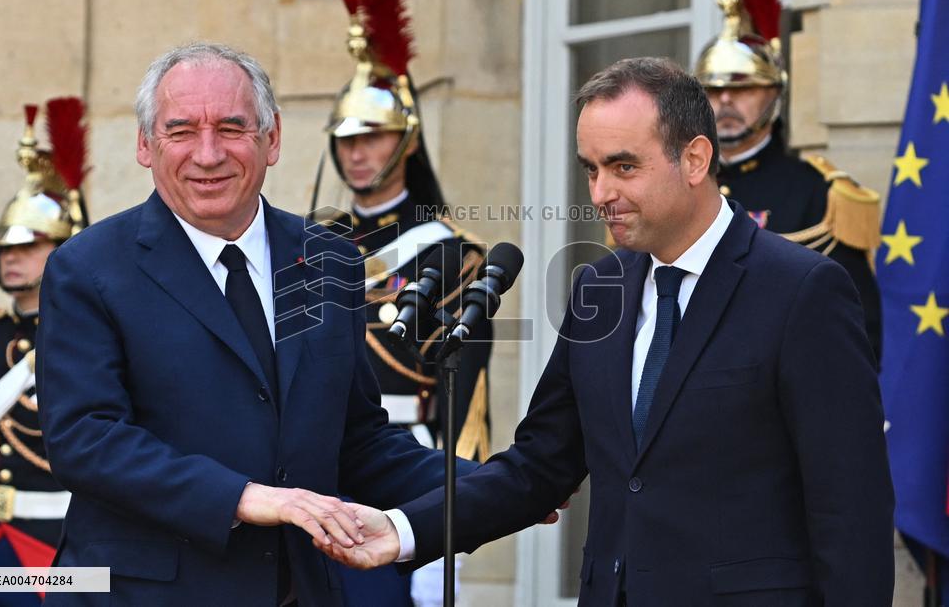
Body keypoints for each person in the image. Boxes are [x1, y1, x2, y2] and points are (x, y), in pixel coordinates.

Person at [322, 58, 895, 606]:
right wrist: (402, 530)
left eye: (623, 167)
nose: (599, 194)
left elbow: (851, 511)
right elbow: (540, 465)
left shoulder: (803, 289)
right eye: (591, 169)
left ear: (695, 159)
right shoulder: (600, 288)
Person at [34, 43, 461, 606]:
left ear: (272, 138)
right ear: (145, 144)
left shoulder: (330, 259)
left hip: (300, 591)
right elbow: (86, 440)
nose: (207, 154)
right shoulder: (87, 267)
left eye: (232, 128)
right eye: (181, 130)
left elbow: (355, 439)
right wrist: (244, 497)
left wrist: (496, 486)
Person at [314, 0, 493, 607]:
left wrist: (453, 508)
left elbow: (465, 398)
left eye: (374, 136)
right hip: (312, 464)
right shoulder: (305, 245)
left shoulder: (452, 254)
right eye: (346, 138)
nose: (356, 152)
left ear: (409, 140)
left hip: (404, 466)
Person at [694, 0, 883, 361]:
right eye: (712, 89)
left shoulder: (817, 192)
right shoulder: (672, 185)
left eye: (743, 88)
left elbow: (855, 332)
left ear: (775, 95)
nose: (726, 101)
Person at [0, 99, 89, 604]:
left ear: (64, 249)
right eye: (6, 248)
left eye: (29, 246)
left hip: (59, 545)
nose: (11, 258)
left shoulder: (90, 341)